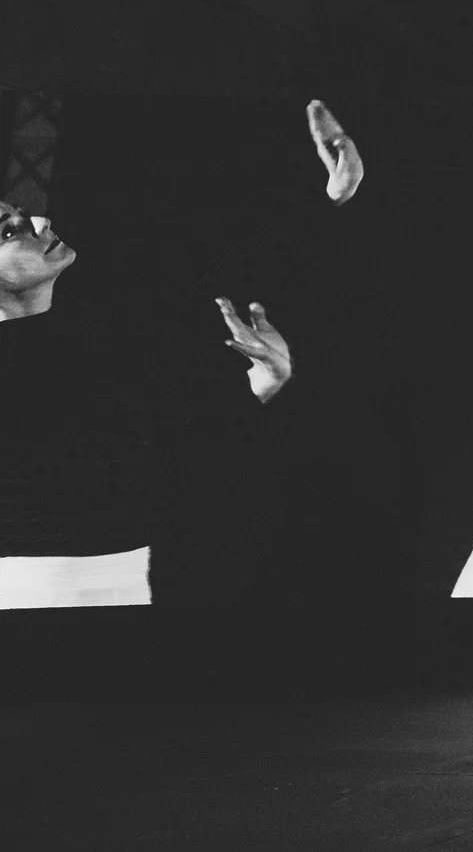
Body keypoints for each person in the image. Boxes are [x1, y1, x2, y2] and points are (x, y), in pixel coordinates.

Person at [0, 101, 363, 608]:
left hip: (125, 590)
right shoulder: (72, 351)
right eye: (9, 231)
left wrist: (264, 384)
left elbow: (176, 438)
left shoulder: (90, 342)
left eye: (21, 216)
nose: (38, 218)